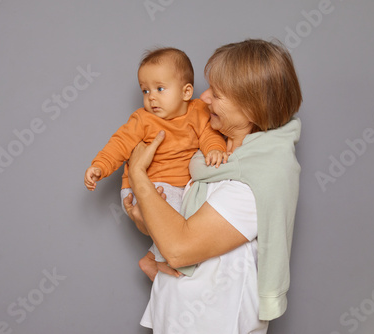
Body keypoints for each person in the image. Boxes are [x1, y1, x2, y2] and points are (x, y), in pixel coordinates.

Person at [124, 39, 302, 333]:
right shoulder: (211, 158)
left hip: (213, 322)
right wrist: (145, 220)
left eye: (217, 94)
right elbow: (172, 230)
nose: (204, 97)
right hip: (178, 312)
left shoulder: (256, 181)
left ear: (252, 108)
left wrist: (138, 174)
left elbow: (179, 249)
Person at [84, 47, 227, 264]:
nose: (151, 98)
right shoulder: (143, 120)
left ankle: (152, 259)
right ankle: (163, 261)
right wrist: (100, 166)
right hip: (145, 187)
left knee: (199, 217)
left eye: (160, 88)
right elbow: (119, 144)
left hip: (181, 188)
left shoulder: (198, 111)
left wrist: (215, 149)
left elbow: (209, 134)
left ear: (186, 92)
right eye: (145, 91)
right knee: (176, 224)